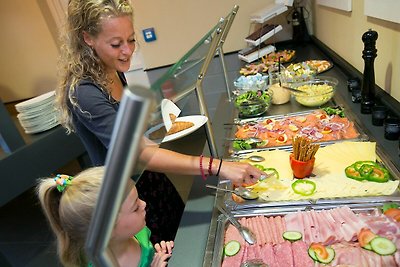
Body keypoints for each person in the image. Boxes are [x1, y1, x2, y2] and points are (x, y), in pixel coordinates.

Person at [55, 0, 266, 243]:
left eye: (131, 39)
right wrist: (218, 167)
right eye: (116, 44)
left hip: (152, 178)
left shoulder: (112, 68)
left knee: (181, 239)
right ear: (88, 39)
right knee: (160, 252)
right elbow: (137, 154)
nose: (127, 51)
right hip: (127, 198)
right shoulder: (85, 91)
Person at [37, 167, 173, 267]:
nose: (144, 204)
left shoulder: (136, 234)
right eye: (135, 207)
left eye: (139, 199)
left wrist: (159, 253)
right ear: (106, 231)